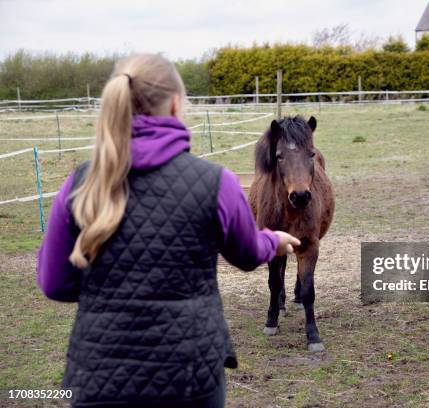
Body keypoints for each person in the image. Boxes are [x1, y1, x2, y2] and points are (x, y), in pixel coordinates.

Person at [37, 54, 300, 408]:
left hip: (97, 376)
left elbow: (55, 283)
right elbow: (247, 253)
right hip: (190, 375)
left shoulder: (80, 183)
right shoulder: (215, 183)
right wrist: (274, 242)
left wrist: (116, 292)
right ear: (176, 104)